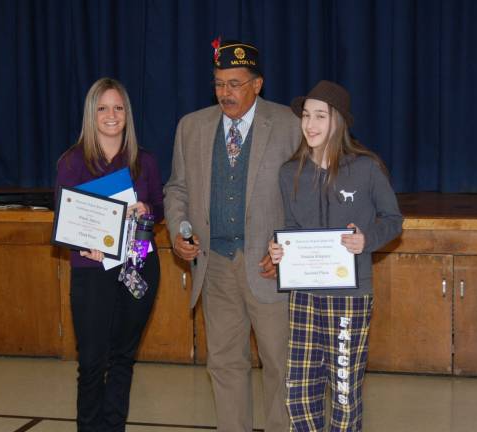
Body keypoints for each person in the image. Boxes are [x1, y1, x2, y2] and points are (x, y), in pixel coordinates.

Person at [163, 39, 301, 431]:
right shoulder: (191, 126)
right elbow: (177, 189)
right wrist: (178, 230)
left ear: (257, 85)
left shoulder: (289, 125)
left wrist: (287, 250)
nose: (226, 93)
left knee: (281, 365)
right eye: (220, 83)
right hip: (215, 267)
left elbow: (306, 194)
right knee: (224, 365)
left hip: (270, 269)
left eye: (235, 84)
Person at [268, 80, 403, 431]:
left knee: (344, 393)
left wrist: (366, 239)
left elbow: (393, 220)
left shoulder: (366, 168)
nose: (309, 124)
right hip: (305, 297)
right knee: (298, 394)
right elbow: (293, 227)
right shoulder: (289, 172)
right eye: (306, 116)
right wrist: (280, 249)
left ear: (338, 121)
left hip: (350, 300)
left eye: (320, 116)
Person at [55, 77, 163, 432]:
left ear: (127, 114)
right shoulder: (72, 162)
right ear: (92, 114)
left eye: (118, 108)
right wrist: (79, 241)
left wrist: (147, 207)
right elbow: (64, 221)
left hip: (139, 265)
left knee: (122, 359)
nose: (111, 115)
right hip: (92, 269)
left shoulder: (144, 162)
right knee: (91, 362)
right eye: (103, 108)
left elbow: (159, 210)